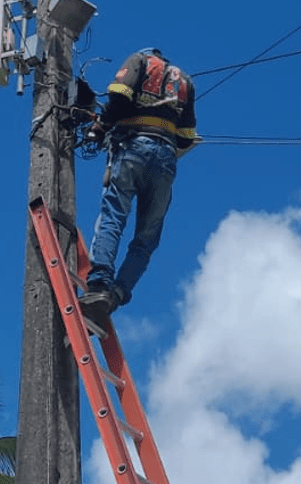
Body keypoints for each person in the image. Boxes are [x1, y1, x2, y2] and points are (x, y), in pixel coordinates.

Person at [79, 47, 199, 327]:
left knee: (113, 217)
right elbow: (186, 137)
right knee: (147, 238)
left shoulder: (140, 60)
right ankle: (117, 293)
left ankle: (99, 285)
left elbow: (119, 95)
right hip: (166, 158)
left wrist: (101, 126)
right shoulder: (185, 81)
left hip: (133, 146)